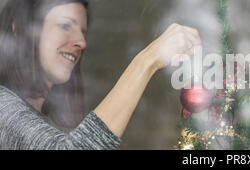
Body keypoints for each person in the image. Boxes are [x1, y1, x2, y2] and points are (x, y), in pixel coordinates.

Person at [0, 0, 201, 149]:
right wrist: (147, 60)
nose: (81, 42)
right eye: (65, 26)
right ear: (21, 27)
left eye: (83, 32)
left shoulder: (50, 121)